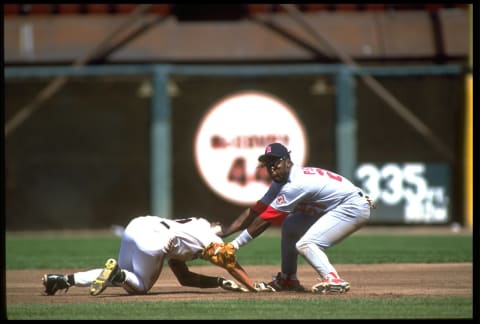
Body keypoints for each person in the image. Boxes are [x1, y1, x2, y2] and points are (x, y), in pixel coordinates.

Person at [219, 143, 375, 293]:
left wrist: (234, 245)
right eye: (268, 165)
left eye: (275, 163)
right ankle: (288, 279)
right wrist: (226, 232)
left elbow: (266, 219)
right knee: (290, 226)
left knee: (306, 244)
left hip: (352, 206)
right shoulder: (280, 183)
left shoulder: (296, 184)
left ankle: (333, 279)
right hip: (332, 207)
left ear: (287, 162)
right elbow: (255, 211)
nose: (272, 169)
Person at [42, 215, 274, 296]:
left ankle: (62, 280)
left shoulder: (195, 225)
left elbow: (185, 279)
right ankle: (119, 274)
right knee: (139, 286)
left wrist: (219, 282)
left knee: (117, 278)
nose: (219, 226)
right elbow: (232, 265)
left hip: (138, 225)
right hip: (157, 239)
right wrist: (252, 286)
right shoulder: (212, 240)